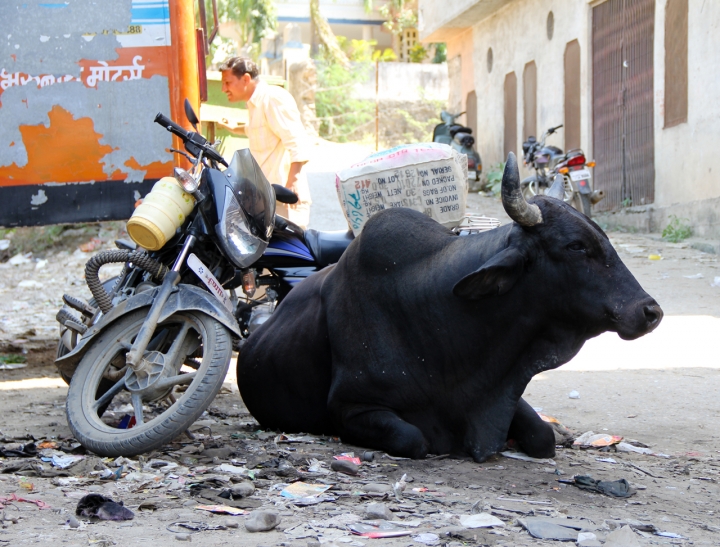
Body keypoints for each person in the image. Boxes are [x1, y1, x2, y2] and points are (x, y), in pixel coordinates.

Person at [218, 57, 312, 228]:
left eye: (227, 82)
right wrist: (233, 128)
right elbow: (257, 129)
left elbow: (297, 140)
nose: (224, 89)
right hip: (266, 198)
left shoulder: (272, 98)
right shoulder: (255, 104)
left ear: (246, 79)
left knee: (285, 252)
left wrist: (293, 183)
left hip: (284, 200)